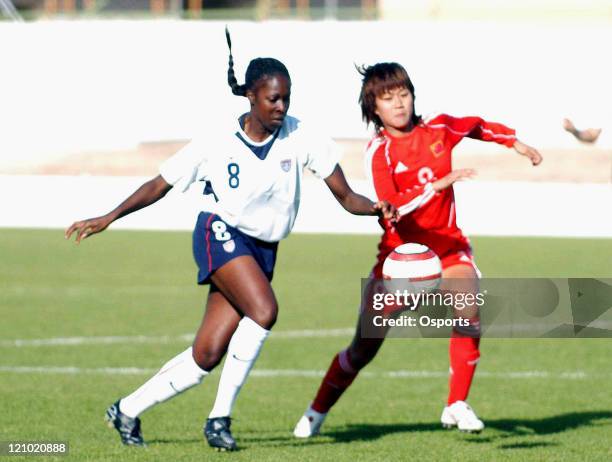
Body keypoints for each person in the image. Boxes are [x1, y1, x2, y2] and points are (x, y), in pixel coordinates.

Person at [65, 30, 396, 451]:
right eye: (272, 99)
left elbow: (347, 197)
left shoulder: (304, 136)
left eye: (286, 98)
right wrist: (109, 216)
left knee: (206, 355)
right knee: (265, 310)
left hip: (262, 249)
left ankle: (127, 409)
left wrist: (376, 208)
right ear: (251, 98)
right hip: (218, 231)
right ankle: (219, 420)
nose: (281, 106)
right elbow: (159, 184)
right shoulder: (215, 141)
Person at [294, 62, 542, 437]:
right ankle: (316, 411)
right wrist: (436, 186)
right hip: (401, 260)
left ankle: (456, 403)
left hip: (447, 246)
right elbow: (390, 206)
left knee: (470, 307)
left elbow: (474, 124)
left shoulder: (438, 128)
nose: (399, 104)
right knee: (363, 348)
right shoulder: (379, 151)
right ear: (373, 107)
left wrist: (514, 142)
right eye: (388, 98)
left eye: (404, 94)